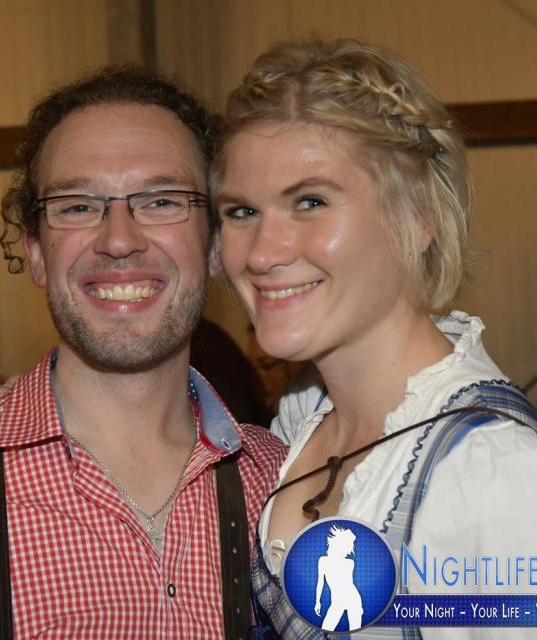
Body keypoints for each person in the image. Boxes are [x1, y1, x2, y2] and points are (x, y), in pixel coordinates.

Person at [0, 66, 286, 638]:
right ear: (36, 252)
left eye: (162, 200)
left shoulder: (282, 481)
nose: (119, 239)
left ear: (214, 244)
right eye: (77, 206)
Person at [212, 38, 537, 638]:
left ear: (419, 217)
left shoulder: (494, 474)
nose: (260, 254)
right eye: (241, 212)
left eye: (310, 201)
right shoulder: (303, 416)